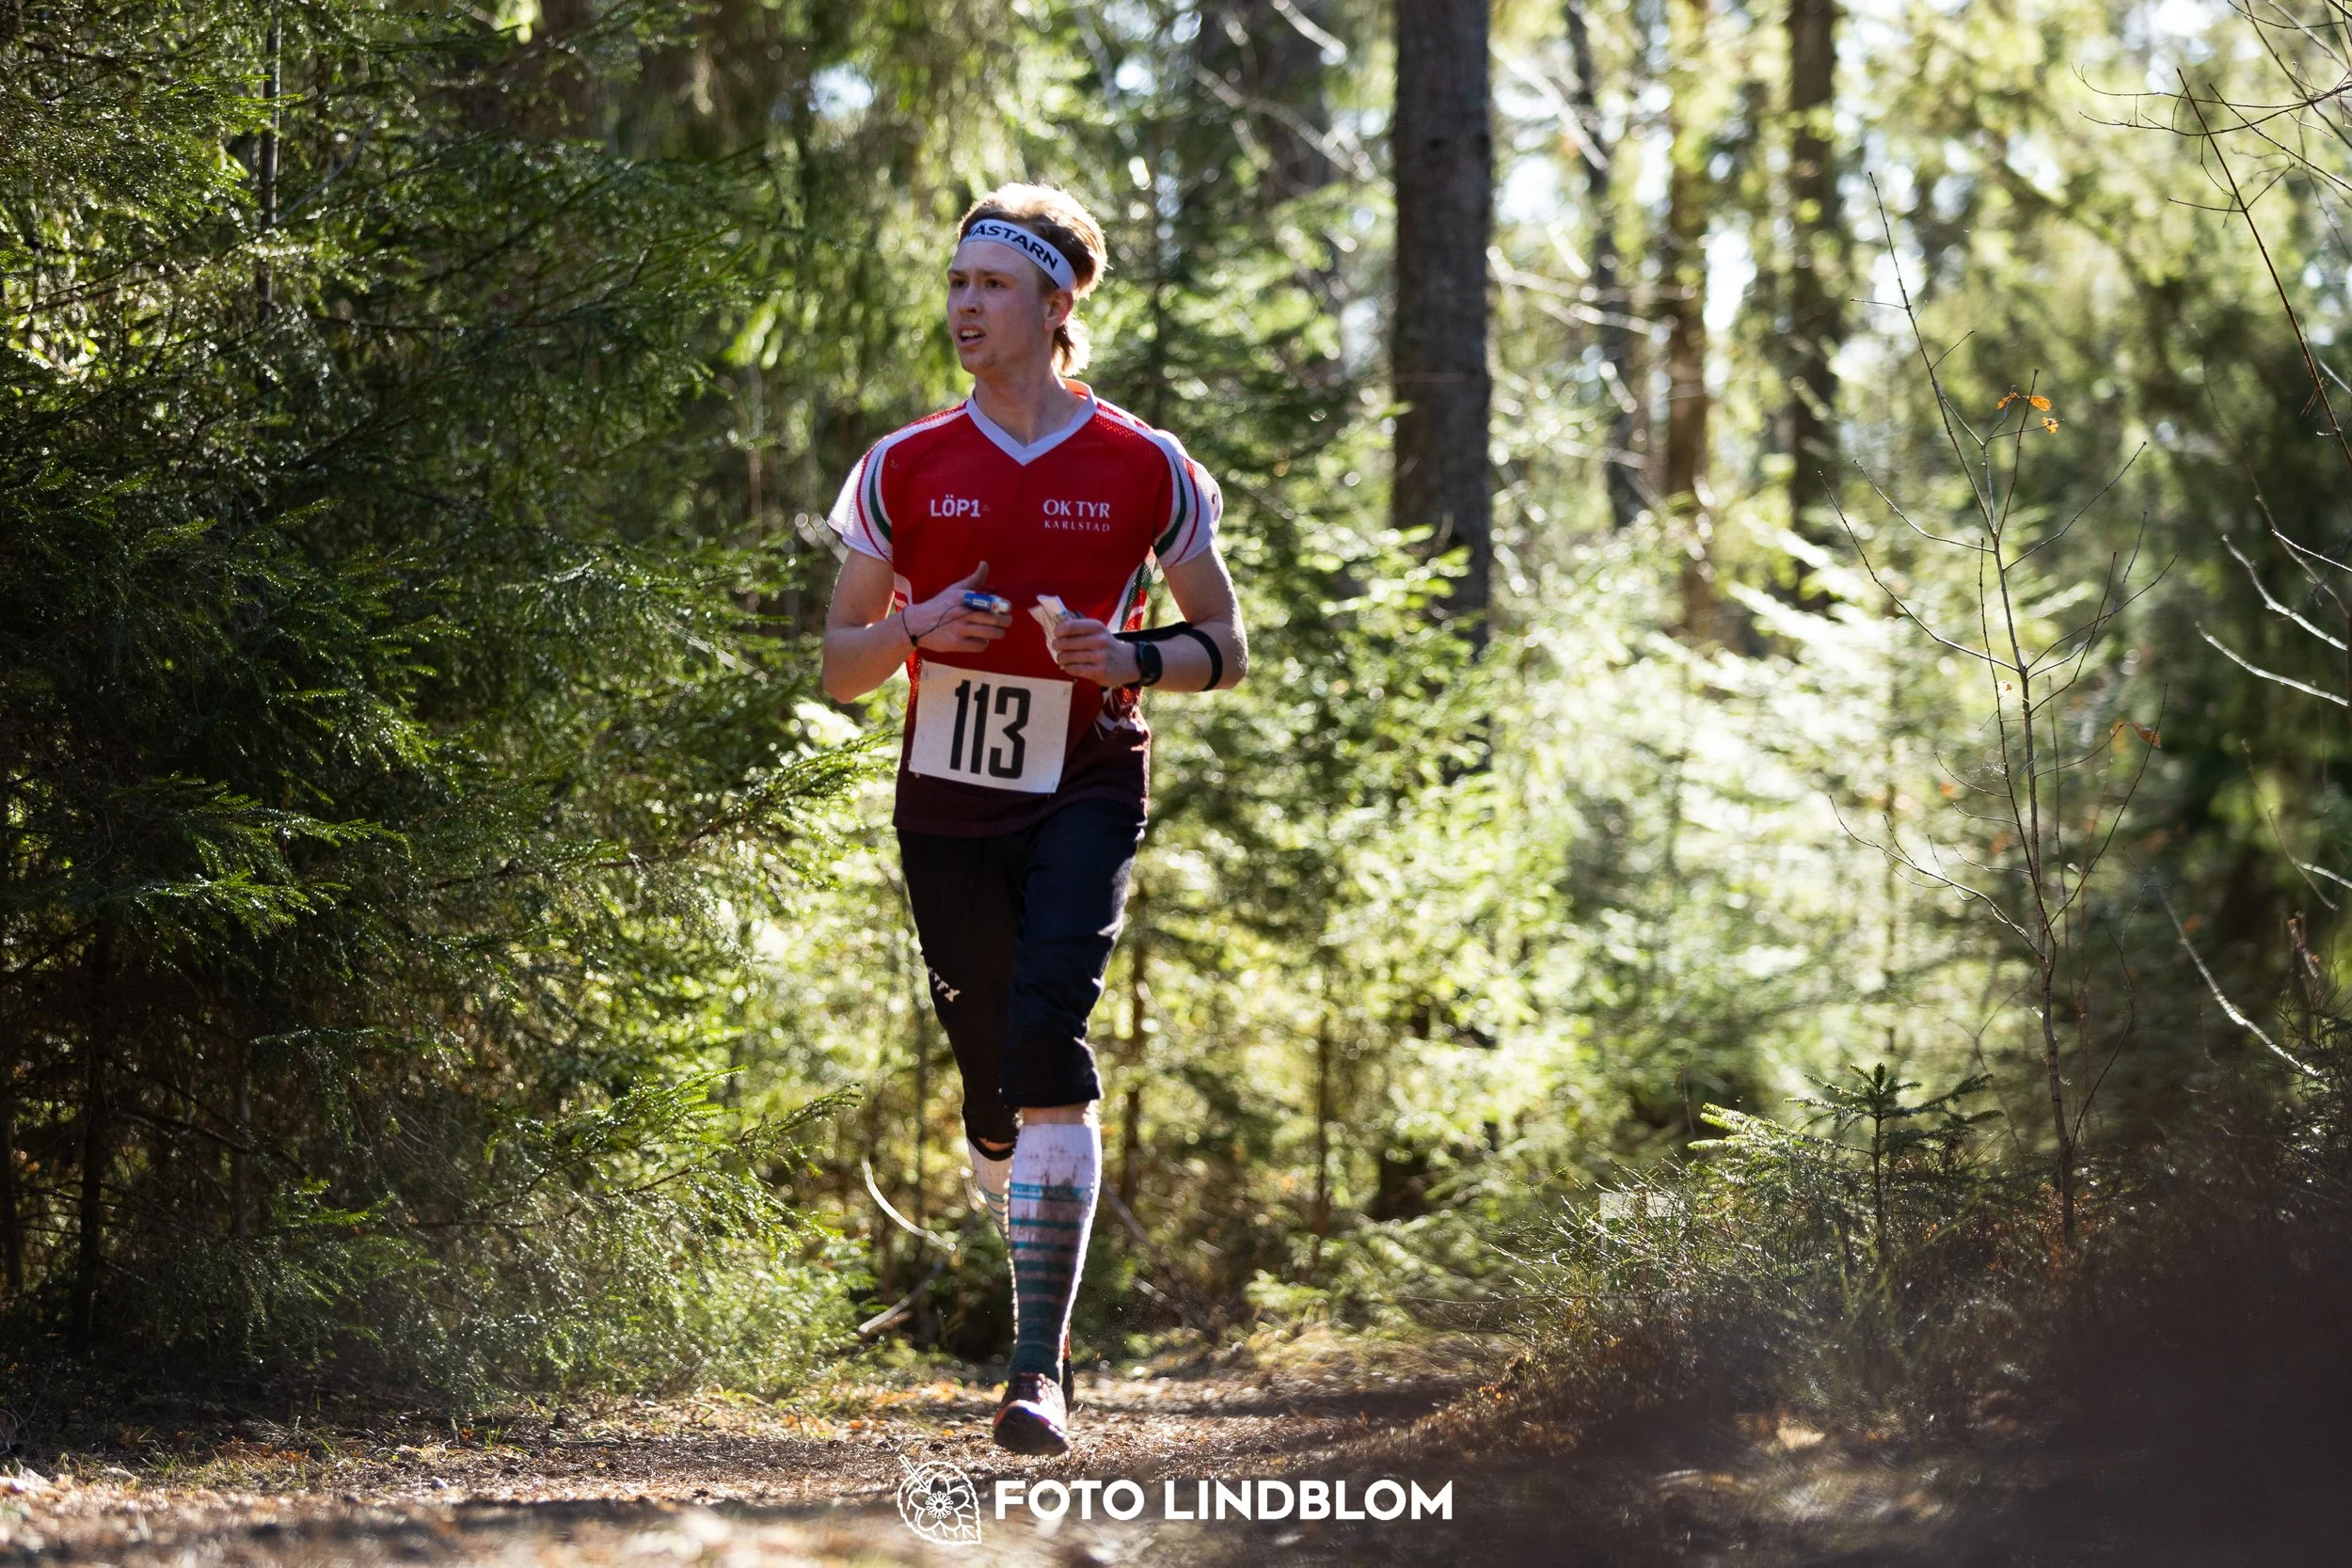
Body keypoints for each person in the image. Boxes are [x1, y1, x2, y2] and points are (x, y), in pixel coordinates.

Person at [818, 183, 1247, 1457]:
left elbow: (1225, 647)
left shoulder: (1145, 465)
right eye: (956, 284)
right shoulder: (903, 465)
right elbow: (841, 663)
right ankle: (1003, 1122)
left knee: (1050, 1035)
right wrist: (911, 626)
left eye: (991, 286)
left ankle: (1036, 1369)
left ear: (1057, 308)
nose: (964, 306)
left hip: (1087, 779)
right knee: (992, 1077)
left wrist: (1123, 654)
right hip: (944, 802)